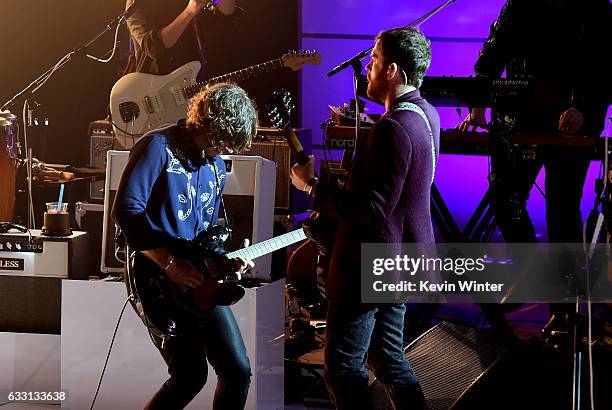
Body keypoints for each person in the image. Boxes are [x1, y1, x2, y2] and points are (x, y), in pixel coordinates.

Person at [291, 27, 439, 409]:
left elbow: (372, 210)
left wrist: (313, 186)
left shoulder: (391, 129)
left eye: (373, 61)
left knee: (342, 367)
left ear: (391, 70)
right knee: (387, 358)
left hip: (369, 269)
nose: (367, 70)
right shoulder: (427, 116)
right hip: (401, 264)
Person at [459, 0, 612, 337]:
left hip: (574, 121)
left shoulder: (597, 10)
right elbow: (493, 49)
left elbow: (605, 67)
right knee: (504, 197)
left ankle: (565, 313)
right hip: (521, 117)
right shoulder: (520, 4)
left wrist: (584, 109)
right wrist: (480, 97)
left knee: (562, 212)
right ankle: (531, 274)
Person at [113, 83, 257, 410]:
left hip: (197, 280)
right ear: (207, 125)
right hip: (155, 278)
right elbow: (126, 212)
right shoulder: (157, 146)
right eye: (221, 140)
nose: (223, 151)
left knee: (237, 370)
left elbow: (205, 235)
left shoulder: (216, 166)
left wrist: (226, 260)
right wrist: (169, 264)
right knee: (190, 376)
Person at [124, 0, 210, 79]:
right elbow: (154, 47)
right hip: (158, 86)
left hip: (195, 77)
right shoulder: (136, 4)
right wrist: (189, 11)